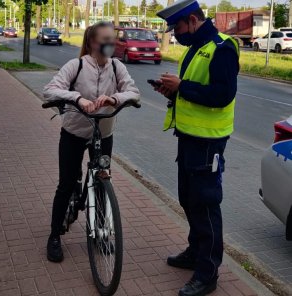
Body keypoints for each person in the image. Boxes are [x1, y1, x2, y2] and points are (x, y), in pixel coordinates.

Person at [155, 1, 240, 296]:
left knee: (205, 204)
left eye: (177, 28)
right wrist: (173, 90)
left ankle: (208, 273)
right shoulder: (197, 47)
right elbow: (193, 87)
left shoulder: (222, 47)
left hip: (209, 142)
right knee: (188, 199)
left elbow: (222, 95)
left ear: (192, 21)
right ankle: (195, 252)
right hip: (189, 138)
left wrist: (182, 87)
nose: (175, 34)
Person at [43, 21, 140, 263]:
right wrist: (77, 99)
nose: (111, 44)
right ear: (92, 42)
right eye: (105, 40)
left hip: (104, 133)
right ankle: (54, 236)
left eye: (113, 39)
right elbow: (50, 90)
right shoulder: (76, 65)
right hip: (74, 132)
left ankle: (100, 234)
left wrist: (115, 99)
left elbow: (133, 92)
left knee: (101, 182)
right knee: (66, 184)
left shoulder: (117, 67)